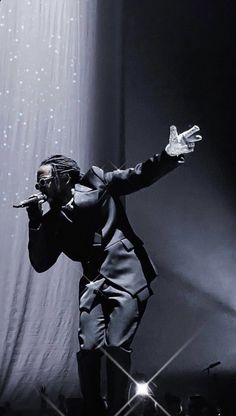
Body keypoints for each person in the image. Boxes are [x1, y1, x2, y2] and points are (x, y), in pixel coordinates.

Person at [26, 125, 202, 416]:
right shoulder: (52, 220)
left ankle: (119, 408)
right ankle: (94, 409)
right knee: (89, 349)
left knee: (117, 346)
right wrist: (35, 222)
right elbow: (41, 263)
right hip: (93, 283)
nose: (38, 186)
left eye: (43, 180)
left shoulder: (98, 182)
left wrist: (170, 154)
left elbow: (139, 176)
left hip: (127, 276)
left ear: (64, 177)